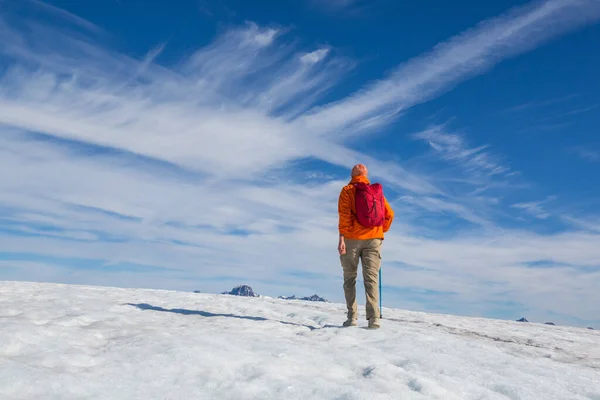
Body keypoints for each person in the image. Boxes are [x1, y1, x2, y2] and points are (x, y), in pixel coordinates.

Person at [337, 164, 394, 329]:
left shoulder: (347, 190)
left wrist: (342, 238)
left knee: (349, 278)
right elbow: (389, 214)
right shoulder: (374, 192)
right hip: (374, 239)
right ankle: (374, 318)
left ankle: (352, 317)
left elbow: (345, 215)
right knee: (371, 279)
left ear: (352, 174)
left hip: (352, 239)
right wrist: (380, 230)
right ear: (366, 175)